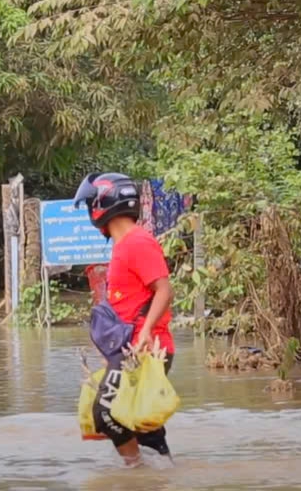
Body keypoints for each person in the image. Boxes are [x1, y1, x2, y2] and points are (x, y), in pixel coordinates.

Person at [74, 172, 175, 467]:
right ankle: (162, 471)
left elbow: (164, 289)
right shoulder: (124, 245)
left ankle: (137, 474)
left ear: (102, 205)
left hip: (146, 348)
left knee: (106, 414)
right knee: (131, 418)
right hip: (132, 349)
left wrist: (144, 333)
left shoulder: (136, 242)